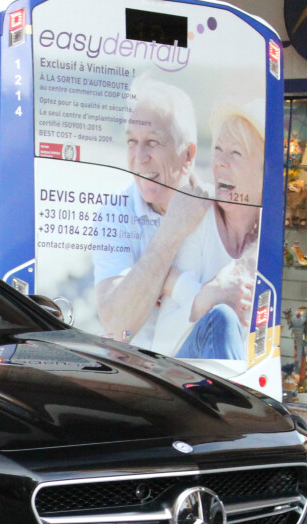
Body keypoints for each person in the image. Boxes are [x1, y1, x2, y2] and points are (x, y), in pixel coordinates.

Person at [93, 80, 211, 350]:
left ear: (188, 155)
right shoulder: (115, 213)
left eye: (153, 142)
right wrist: (171, 232)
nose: (139, 157)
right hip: (137, 374)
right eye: (132, 142)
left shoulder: (218, 211)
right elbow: (118, 327)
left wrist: (161, 282)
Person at [168, 100, 267, 360]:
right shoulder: (198, 214)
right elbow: (166, 319)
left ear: (264, 174)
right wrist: (208, 296)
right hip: (176, 367)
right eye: (218, 150)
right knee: (221, 317)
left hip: (238, 369)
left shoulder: (268, 239)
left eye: (235, 153)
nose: (220, 162)